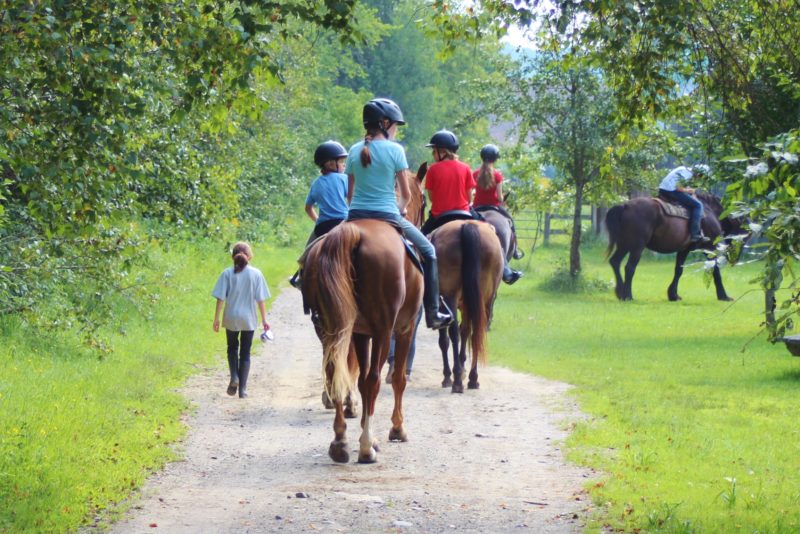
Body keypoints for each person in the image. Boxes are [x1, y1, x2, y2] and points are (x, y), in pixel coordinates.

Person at [345, 97, 452, 330]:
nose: (395, 130)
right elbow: (406, 194)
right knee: (429, 251)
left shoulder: (353, 150)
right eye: (395, 125)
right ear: (384, 123)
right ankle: (433, 312)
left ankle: (307, 286)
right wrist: (402, 209)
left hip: (354, 216)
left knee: (318, 248)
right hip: (388, 215)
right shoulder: (395, 150)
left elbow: (350, 195)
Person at [212, 242, 271, 398]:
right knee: (245, 353)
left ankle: (234, 377)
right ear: (249, 256)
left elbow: (220, 298)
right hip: (249, 319)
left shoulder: (226, 273)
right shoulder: (256, 274)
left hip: (231, 317)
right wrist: (265, 320)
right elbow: (260, 300)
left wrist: (216, 319)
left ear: (233, 256)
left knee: (232, 348)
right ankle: (243, 390)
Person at [289, 140, 349, 288]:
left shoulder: (316, 183)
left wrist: (317, 221)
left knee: (307, 253)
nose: (344, 165)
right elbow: (352, 198)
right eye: (341, 162)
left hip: (323, 227)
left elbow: (308, 208)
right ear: (330, 164)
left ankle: (300, 277)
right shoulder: (344, 179)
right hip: (344, 223)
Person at [419, 129, 477, 236]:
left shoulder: (432, 169)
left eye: (434, 151)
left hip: (439, 216)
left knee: (421, 239)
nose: (433, 154)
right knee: (487, 227)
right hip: (464, 214)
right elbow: (469, 199)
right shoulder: (466, 168)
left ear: (443, 152)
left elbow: (432, 198)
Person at [473, 143, 524, 260]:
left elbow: (473, 192)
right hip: (494, 207)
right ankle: (515, 250)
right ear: (495, 159)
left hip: (477, 207)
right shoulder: (497, 175)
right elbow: (500, 198)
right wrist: (503, 198)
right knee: (510, 221)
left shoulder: (475, 174)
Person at [657, 164, 711, 244]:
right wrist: (690, 191)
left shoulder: (683, 168)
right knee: (698, 205)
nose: (699, 178)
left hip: (662, 189)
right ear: (699, 173)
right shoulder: (688, 173)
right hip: (671, 191)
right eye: (701, 176)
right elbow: (679, 188)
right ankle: (695, 235)